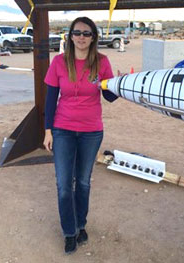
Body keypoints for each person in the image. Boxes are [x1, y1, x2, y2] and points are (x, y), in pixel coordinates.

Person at [43, 17, 118, 254]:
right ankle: (69, 231)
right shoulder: (59, 62)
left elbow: (109, 97)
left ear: (93, 37)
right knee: (64, 184)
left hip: (91, 131)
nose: (82, 37)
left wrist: (119, 84)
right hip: (62, 129)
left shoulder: (102, 62)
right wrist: (47, 131)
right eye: (77, 32)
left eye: (87, 33)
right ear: (70, 36)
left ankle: (81, 224)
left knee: (83, 183)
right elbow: (50, 98)